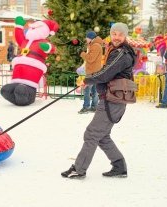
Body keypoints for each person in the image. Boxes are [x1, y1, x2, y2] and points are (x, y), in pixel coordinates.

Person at [61, 23, 136, 179]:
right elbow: (105, 71)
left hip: (113, 100)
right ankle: (119, 166)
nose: (116, 37)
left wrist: (87, 80)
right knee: (102, 136)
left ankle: (79, 169)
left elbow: (106, 74)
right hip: (112, 98)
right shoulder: (117, 51)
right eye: (114, 34)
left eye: (120, 34)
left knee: (92, 133)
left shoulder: (121, 53)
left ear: (125, 36)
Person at [78, 31, 103, 114]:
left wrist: (81, 53)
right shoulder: (93, 45)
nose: (86, 39)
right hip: (94, 71)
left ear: (91, 38)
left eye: (87, 38)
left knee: (87, 90)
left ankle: (86, 107)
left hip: (92, 72)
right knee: (94, 90)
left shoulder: (95, 46)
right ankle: (94, 107)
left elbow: (90, 58)